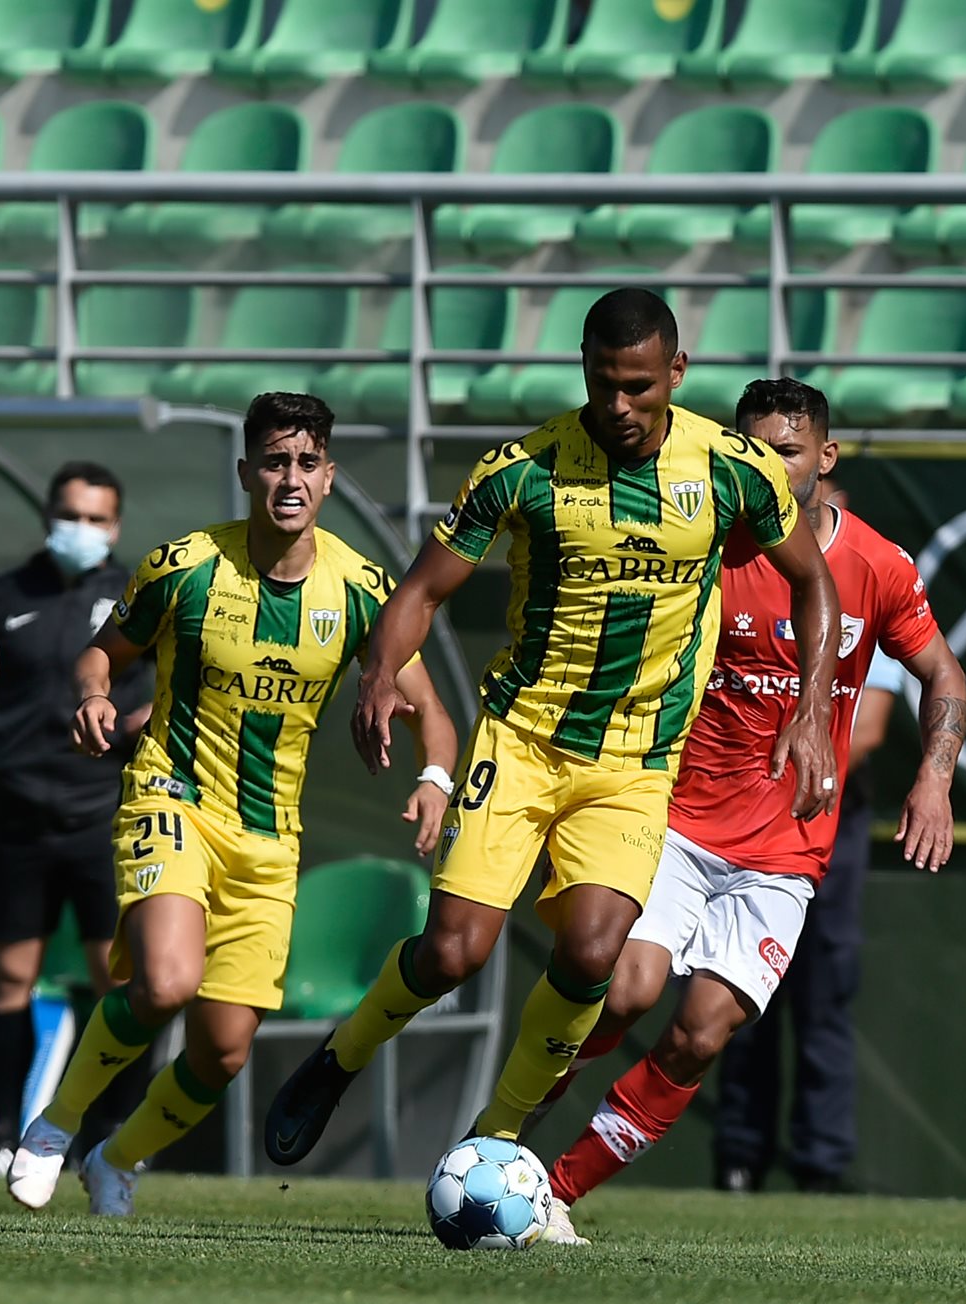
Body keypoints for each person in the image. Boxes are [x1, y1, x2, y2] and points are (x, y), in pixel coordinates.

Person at [263, 290, 842, 1171]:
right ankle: (343, 1055)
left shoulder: (732, 469)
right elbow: (419, 591)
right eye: (604, 383)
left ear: (676, 375)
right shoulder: (523, 468)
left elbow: (814, 582)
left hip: (637, 759)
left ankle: (494, 1138)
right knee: (455, 950)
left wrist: (808, 708)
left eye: (640, 388)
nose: (619, 406)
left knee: (595, 950)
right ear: (582, 366)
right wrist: (381, 671)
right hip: (523, 739)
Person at [534, 377, 966, 1243]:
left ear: (827, 459)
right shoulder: (702, 550)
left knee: (699, 1035)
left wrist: (935, 777)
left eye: (790, 453)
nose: (769, 468)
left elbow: (943, 678)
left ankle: (550, 1194)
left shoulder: (878, 566)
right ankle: (498, 1128)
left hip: (785, 855)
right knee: (625, 989)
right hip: (680, 824)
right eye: (752, 451)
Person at [5, 392, 458, 1217]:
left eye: (308, 462)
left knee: (223, 1051)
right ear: (248, 472)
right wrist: (96, 696)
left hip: (269, 839)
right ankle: (53, 1126)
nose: (292, 478)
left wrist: (434, 780)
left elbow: (434, 712)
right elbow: (101, 655)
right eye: (276, 461)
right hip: (170, 796)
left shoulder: (361, 589)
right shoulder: (183, 565)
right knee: (168, 982)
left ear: (328, 477)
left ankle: (118, 1155)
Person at [0, 460, 154, 1176]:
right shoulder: (4, 593)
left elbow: (183, 681)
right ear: (48, 514)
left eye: (98, 518)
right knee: (10, 979)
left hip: (104, 815)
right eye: (72, 514)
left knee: (122, 980)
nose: (84, 529)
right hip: (16, 817)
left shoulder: (139, 595)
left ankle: (109, 1135)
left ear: (117, 526)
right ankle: (4, 1129)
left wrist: (144, 722)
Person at [710, 637, 907, 1196]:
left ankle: (821, 1163)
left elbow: (867, 728)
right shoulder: (752, 590)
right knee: (738, 987)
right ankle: (739, 1158)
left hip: (829, 817)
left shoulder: (869, 591)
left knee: (824, 993)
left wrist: (792, 768)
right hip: (747, 811)